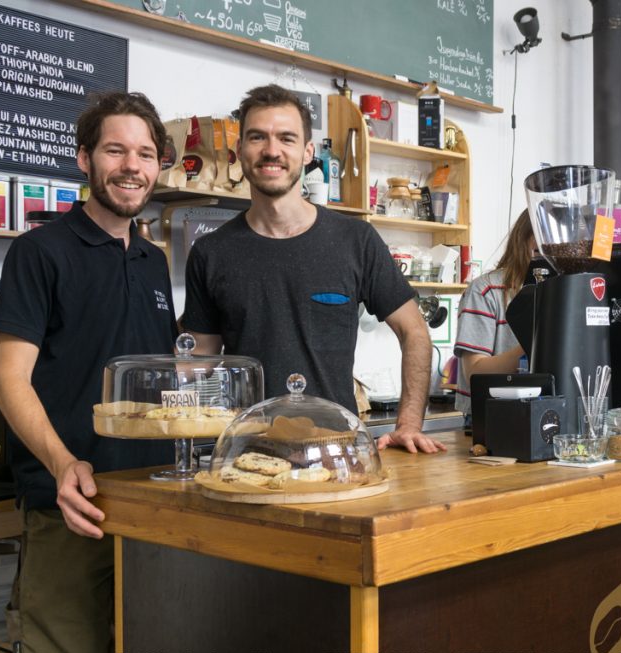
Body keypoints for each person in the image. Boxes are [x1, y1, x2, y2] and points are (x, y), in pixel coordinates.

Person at [0, 91, 177, 653]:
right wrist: (64, 463)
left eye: (145, 153)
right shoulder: (39, 252)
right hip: (73, 503)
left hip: (155, 502)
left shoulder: (153, 260)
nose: (132, 166)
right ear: (84, 160)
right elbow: (8, 377)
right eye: (115, 149)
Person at [181, 84, 444, 454]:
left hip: (339, 455)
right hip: (247, 456)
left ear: (307, 153)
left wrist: (409, 424)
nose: (272, 150)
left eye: (286, 138)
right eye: (257, 137)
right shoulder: (211, 253)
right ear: (239, 151)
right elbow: (199, 363)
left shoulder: (356, 240)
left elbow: (415, 332)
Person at [453, 210, 534, 416]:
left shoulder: (567, 293)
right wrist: (532, 346)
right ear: (523, 240)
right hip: (489, 417)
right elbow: (475, 371)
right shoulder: (486, 291)